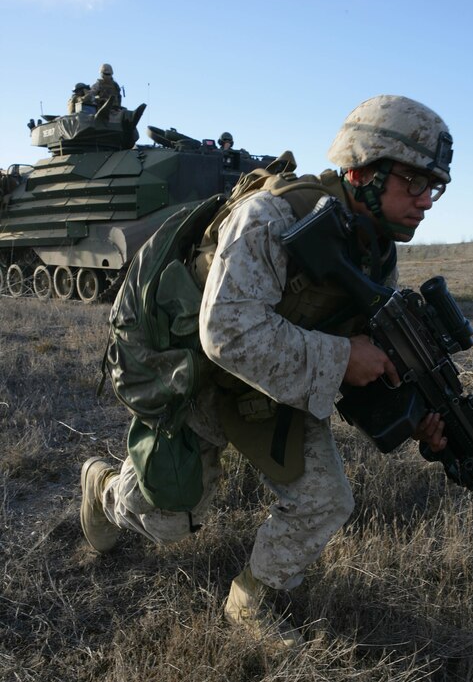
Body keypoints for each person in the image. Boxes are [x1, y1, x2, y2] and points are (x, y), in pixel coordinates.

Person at [80, 94, 451, 649]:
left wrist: (416, 413)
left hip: (277, 379)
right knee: (168, 522)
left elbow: (359, 354)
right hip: (198, 373)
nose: (426, 201)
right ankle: (105, 488)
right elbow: (227, 333)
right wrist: (342, 358)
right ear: (363, 168)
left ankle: (250, 600)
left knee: (326, 499)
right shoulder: (272, 217)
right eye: (413, 182)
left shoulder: (375, 251)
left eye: (435, 187)